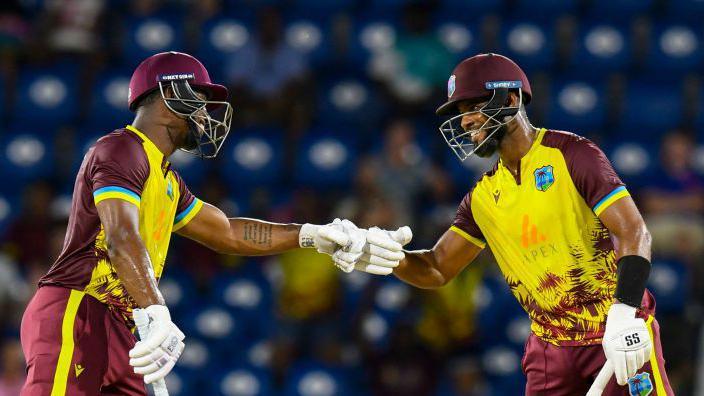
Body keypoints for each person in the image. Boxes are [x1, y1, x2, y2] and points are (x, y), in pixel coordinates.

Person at [19, 51, 410, 396]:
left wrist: (310, 235)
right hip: (80, 305)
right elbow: (121, 238)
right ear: (172, 95)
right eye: (201, 101)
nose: (206, 115)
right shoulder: (122, 149)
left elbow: (225, 232)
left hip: (120, 323)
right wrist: (156, 308)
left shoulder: (167, 179)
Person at [388, 53, 674, 395]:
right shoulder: (481, 197)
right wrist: (385, 256)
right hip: (549, 348)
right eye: (461, 113)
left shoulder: (572, 154)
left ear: (510, 99)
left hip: (615, 331)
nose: (465, 122)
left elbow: (633, 231)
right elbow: (436, 268)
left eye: (473, 106)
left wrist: (625, 311)